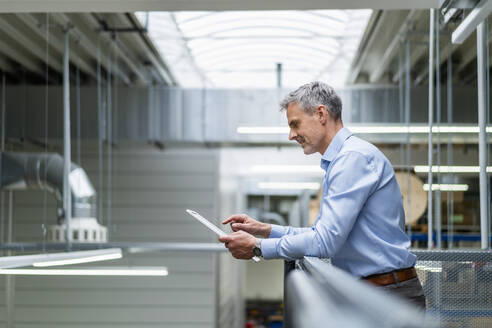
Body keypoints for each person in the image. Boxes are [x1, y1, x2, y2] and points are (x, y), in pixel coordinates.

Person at [218, 81, 426, 309]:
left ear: (320, 114)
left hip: (386, 296)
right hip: (375, 292)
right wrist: (265, 230)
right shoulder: (342, 160)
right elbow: (321, 233)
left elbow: (324, 242)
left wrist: (258, 247)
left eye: (295, 124)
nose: (291, 135)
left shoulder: (352, 159)